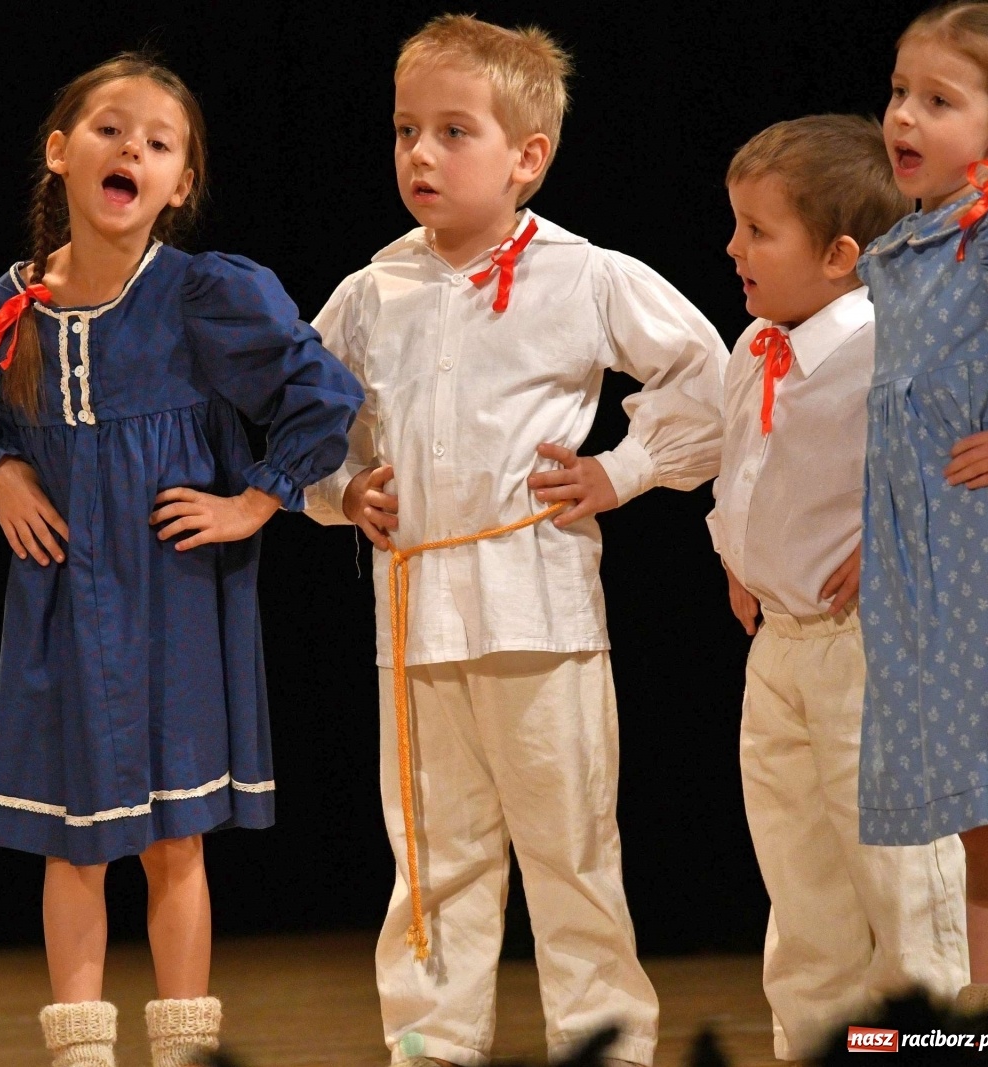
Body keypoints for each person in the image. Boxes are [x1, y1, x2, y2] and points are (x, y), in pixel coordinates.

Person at [305, 15, 728, 1066]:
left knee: (570, 847)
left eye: (454, 131)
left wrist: (619, 472)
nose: (420, 154)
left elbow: (710, 382)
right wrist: (340, 489)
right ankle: (432, 1041)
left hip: (539, 610)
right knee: (433, 857)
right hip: (412, 620)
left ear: (526, 157)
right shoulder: (371, 291)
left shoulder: (583, 276)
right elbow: (297, 422)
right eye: (407, 129)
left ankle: (605, 1040)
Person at [0, 54, 362, 1067]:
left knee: (175, 835)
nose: (130, 146)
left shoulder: (203, 295)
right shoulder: (1, 308)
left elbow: (323, 393)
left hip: (172, 589)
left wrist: (254, 500)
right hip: (58, 589)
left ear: (178, 184)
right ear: (59, 154)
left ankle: (182, 1041)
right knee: (70, 832)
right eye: (108, 128)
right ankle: (80, 1047)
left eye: (159, 141)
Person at [715, 114, 968, 1058]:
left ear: (840, 256)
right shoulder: (756, 350)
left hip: (875, 650)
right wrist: (731, 549)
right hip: (780, 651)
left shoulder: (896, 350)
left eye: (756, 230)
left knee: (901, 880)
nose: (733, 246)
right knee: (801, 875)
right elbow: (742, 465)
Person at [857, 0, 988, 1014]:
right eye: (899, 93)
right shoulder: (909, 255)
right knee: (980, 820)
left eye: (938, 101)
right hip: (933, 578)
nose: (903, 118)